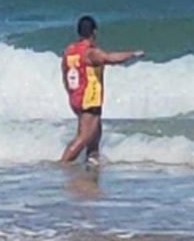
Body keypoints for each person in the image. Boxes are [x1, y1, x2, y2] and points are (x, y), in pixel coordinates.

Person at [60, 15, 144, 165]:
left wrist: (70, 92)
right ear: (94, 32)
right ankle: (63, 164)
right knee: (84, 137)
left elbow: (64, 72)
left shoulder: (70, 51)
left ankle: (92, 160)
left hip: (77, 96)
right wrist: (132, 54)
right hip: (89, 97)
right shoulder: (90, 52)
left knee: (95, 132)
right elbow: (110, 58)